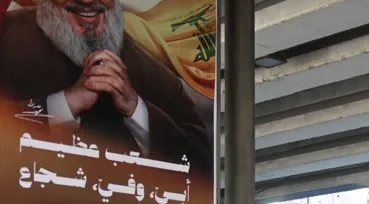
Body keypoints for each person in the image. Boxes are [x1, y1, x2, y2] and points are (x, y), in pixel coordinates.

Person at [0, 0, 212, 172]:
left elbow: (200, 169)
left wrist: (137, 110)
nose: (87, 1)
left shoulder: (157, 74)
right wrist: (64, 104)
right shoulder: (6, 34)